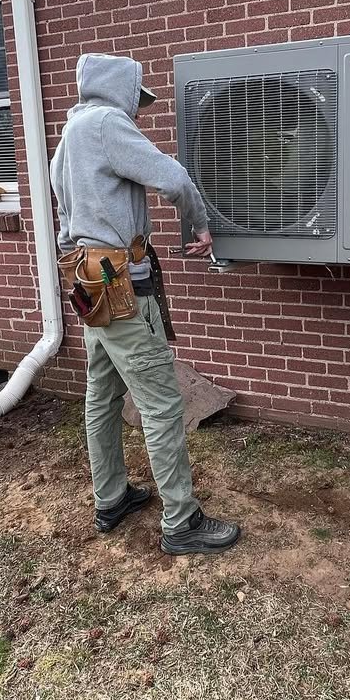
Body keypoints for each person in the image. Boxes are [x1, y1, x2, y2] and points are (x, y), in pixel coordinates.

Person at [50, 53, 240, 556]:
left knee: (102, 395)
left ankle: (111, 497)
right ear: (119, 91)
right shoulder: (108, 123)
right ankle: (182, 522)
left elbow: (65, 211)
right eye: (137, 101)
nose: (138, 113)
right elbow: (173, 178)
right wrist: (200, 223)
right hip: (121, 283)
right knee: (160, 404)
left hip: (87, 281)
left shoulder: (69, 135)